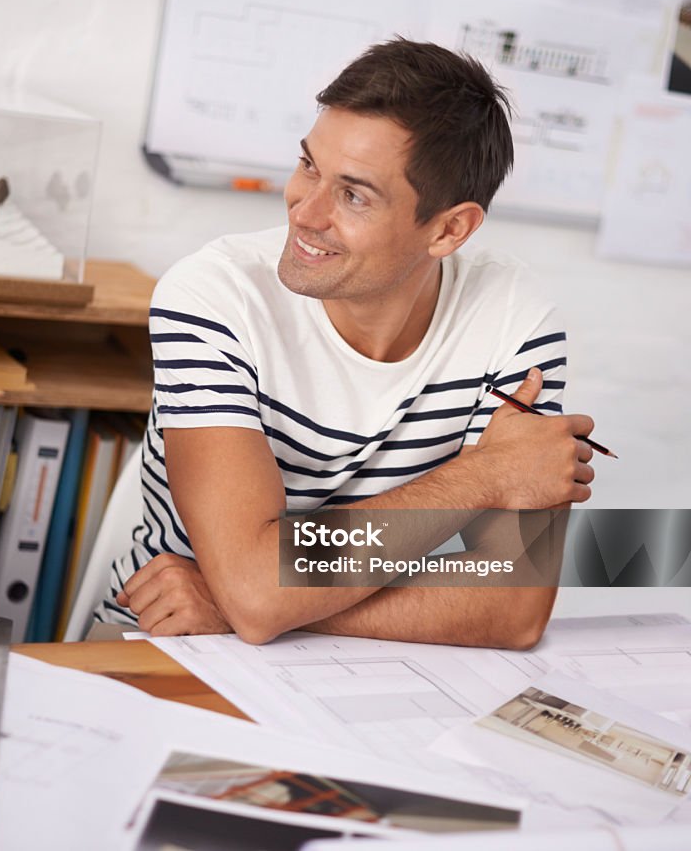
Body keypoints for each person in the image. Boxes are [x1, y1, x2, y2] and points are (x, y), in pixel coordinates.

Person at [96, 39, 597, 647]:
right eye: (309, 166)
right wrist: (486, 475)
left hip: (363, 664)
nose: (305, 213)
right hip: (167, 643)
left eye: (354, 194)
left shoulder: (514, 320)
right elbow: (256, 593)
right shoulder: (213, 296)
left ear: (448, 229)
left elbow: (512, 612)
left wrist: (253, 598)